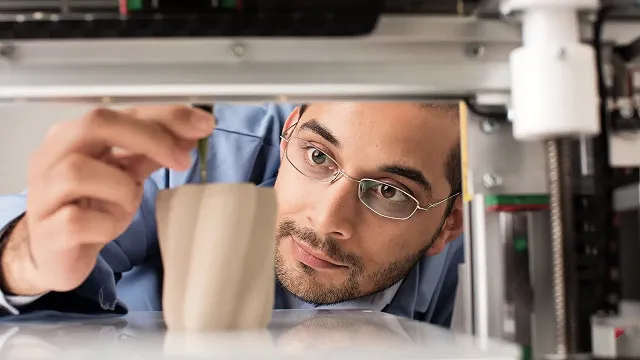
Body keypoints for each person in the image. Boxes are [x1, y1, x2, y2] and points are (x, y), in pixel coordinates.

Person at [0, 102, 463, 326]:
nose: (325, 221)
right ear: (289, 132)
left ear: (448, 225)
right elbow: (34, 239)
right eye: (318, 156)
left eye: (389, 192)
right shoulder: (189, 158)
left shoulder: (482, 258)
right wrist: (24, 259)